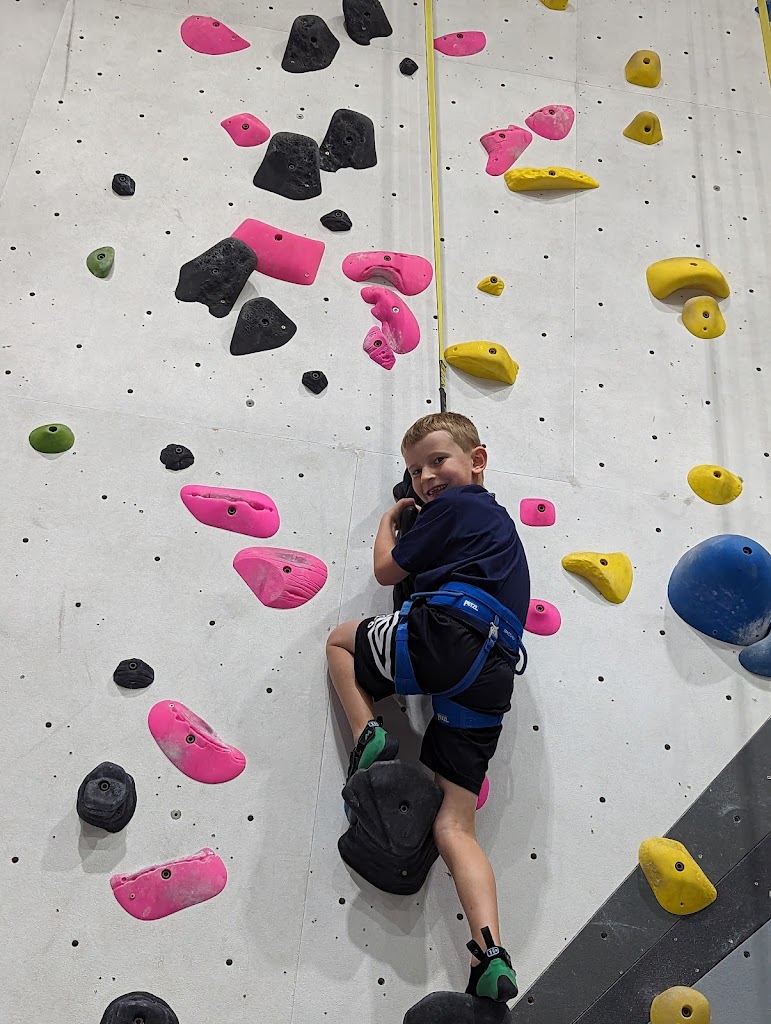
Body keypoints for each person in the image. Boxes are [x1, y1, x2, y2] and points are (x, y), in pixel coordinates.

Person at [326, 412, 531, 1002]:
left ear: (478, 461)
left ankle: (368, 733)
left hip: (447, 630)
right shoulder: (501, 533)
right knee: (455, 824)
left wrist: (390, 520)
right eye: (415, 471)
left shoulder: (458, 505)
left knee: (340, 643)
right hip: (494, 668)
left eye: (438, 460)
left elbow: (387, 569)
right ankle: (490, 952)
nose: (426, 477)